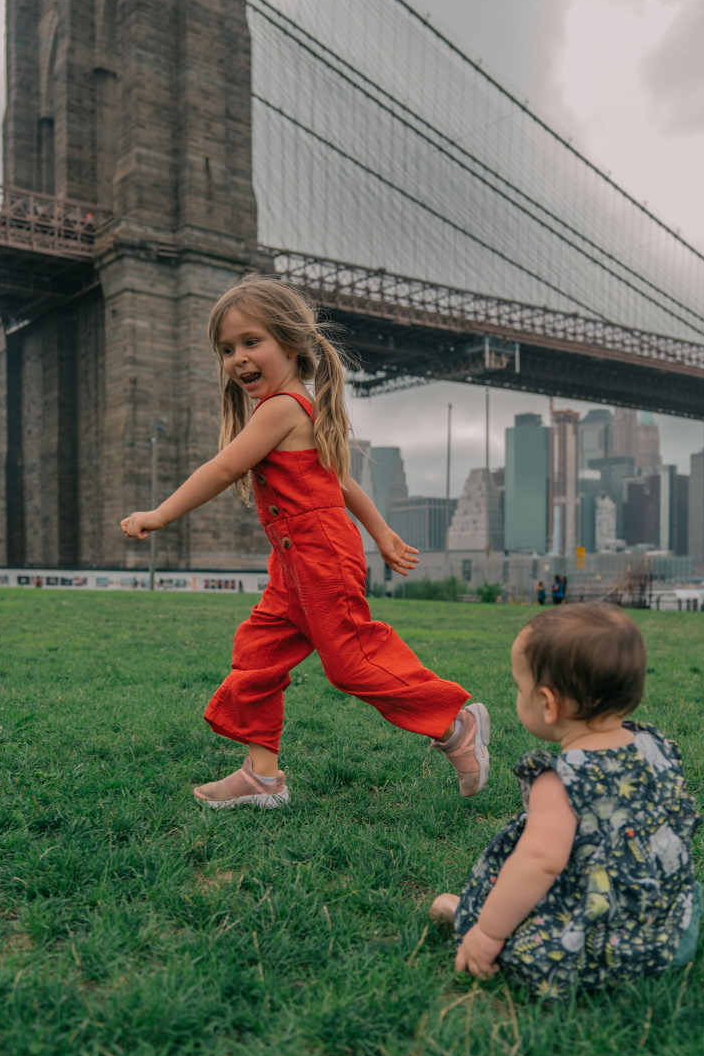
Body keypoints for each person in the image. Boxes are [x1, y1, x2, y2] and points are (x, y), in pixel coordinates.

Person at [120, 275, 489, 810]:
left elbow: (226, 467)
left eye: (251, 342)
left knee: (352, 663)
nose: (238, 358)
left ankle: (455, 725)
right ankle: (262, 777)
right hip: (292, 562)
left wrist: (160, 513)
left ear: (291, 344)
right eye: (226, 349)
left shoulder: (283, 407)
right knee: (258, 653)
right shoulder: (297, 408)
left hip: (320, 557)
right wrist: (382, 532)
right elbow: (341, 481)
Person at [430, 603, 702, 1001]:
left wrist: (487, 934)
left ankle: (473, 920)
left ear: (547, 703)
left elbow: (540, 863)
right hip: (671, 926)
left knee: (485, 915)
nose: (517, 695)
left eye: (519, 688)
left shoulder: (560, 779)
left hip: (601, 944)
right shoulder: (654, 745)